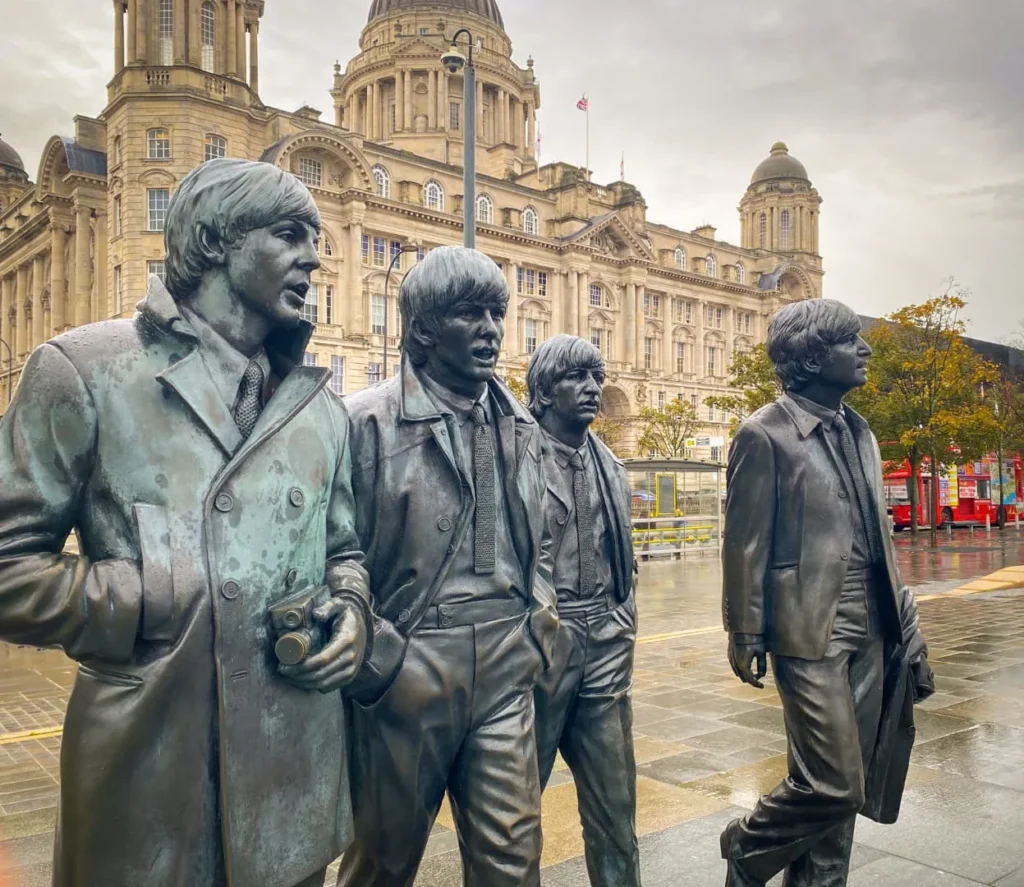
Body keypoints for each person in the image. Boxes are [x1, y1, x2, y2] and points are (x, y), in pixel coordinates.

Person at [0, 158, 371, 887]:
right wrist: (141, 596)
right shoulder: (82, 369)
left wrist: (351, 607)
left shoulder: (320, 407)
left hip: (292, 781)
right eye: (291, 234)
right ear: (218, 239)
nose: (315, 258)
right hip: (150, 782)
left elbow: (344, 548)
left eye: (317, 238)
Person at [336, 246, 558, 887]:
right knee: (384, 861)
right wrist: (382, 662)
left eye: (497, 312)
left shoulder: (521, 426)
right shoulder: (363, 423)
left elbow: (534, 541)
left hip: (506, 661)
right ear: (426, 328)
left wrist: (538, 619)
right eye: (470, 314)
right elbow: (329, 551)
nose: (491, 329)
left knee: (514, 862)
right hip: (410, 661)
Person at [719, 299, 934, 887]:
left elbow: (876, 533)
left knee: (850, 782)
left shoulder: (860, 431)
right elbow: (744, 541)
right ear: (813, 355)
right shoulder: (764, 433)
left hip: (873, 622)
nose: (864, 351)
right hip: (808, 625)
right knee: (833, 781)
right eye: (850, 341)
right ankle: (748, 844)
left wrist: (903, 617)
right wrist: (744, 628)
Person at [527, 334, 641, 887]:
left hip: (605, 641)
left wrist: (621, 621)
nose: (593, 389)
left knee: (616, 811)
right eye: (577, 378)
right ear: (545, 390)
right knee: (514, 817)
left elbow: (624, 559)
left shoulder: (611, 465)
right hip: (539, 649)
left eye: (597, 377)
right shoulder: (511, 456)